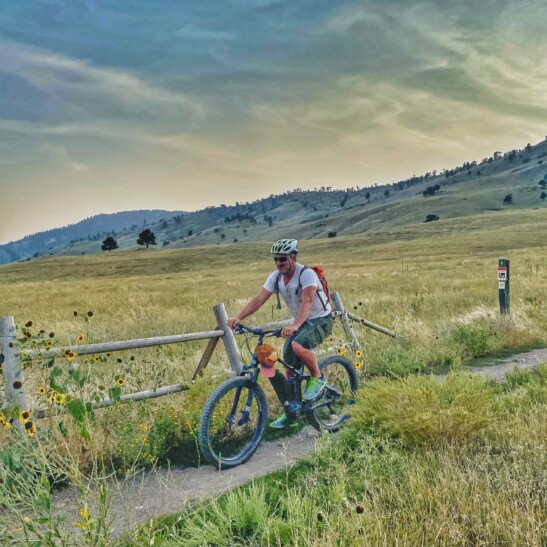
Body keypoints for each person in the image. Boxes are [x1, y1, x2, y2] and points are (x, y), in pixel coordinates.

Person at [227, 239, 333, 428]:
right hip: (301, 321)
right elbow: (259, 298)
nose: (278, 263)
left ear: (293, 257)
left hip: (320, 319)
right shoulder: (275, 277)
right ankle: (292, 410)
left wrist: (295, 326)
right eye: (275, 259)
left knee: (297, 344)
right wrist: (239, 318)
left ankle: (318, 377)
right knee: (288, 368)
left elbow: (308, 301)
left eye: (282, 259)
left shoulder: (306, 274)